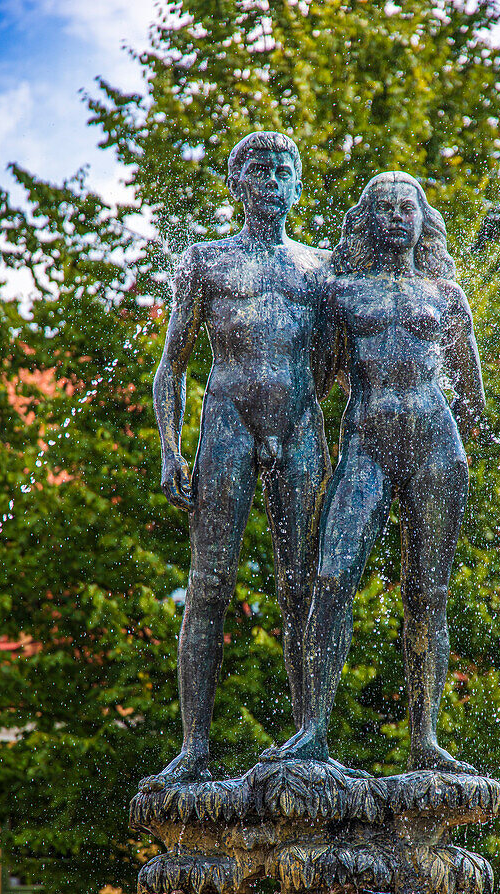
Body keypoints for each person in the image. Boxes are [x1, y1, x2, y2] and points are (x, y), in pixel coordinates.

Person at [270, 172, 485, 774]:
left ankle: (426, 739)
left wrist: (463, 431)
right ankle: (312, 729)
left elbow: (471, 392)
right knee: (333, 577)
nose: (395, 216)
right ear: (368, 219)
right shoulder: (341, 294)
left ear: (422, 220)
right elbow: (314, 381)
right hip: (365, 446)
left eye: (405, 207)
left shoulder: (445, 295)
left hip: (435, 448)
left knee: (429, 595)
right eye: (383, 207)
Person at [144, 132, 330, 788]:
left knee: (304, 585)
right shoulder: (205, 261)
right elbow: (172, 366)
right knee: (209, 583)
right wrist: (170, 447)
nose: (273, 178)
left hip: (300, 425)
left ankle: (311, 734)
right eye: (259, 167)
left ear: (298, 184)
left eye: (286, 168)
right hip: (224, 422)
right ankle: (194, 746)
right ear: (236, 182)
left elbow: (338, 355)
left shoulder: (322, 266)